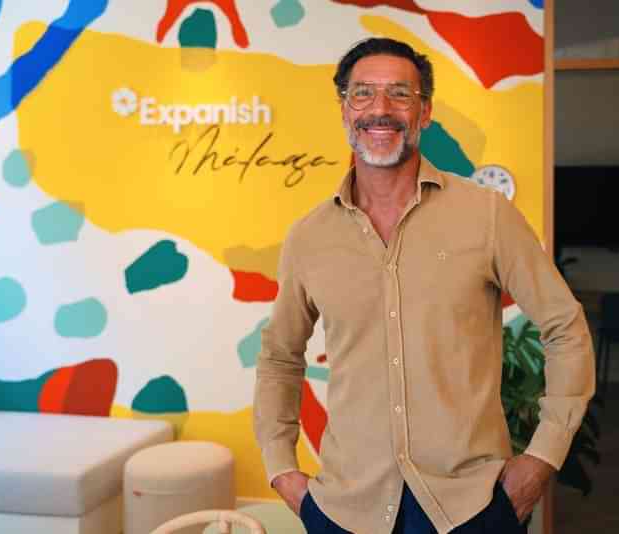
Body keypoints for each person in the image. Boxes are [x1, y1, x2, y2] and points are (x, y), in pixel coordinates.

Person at [253, 37, 594, 534]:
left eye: (400, 94)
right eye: (363, 94)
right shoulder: (309, 236)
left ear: (425, 112)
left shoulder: (487, 215)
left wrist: (543, 457)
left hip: (472, 507)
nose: (380, 110)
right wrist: (281, 468)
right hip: (347, 510)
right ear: (345, 111)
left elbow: (565, 328)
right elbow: (280, 356)